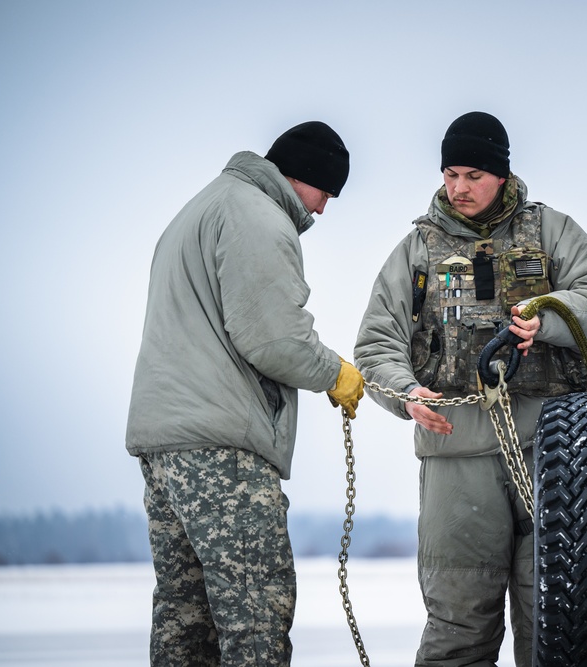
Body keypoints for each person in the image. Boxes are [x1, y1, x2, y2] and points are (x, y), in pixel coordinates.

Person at [354, 111, 587, 666]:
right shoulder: (416, 252)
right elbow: (376, 347)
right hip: (457, 460)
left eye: (472, 175)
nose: (459, 188)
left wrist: (547, 314)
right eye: (450, 174)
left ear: (501, 174)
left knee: (558, 625)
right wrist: (405, 393)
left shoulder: (551, 232)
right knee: (459, 626)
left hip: (553, 456)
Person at [125, 120, 365, 666]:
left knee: (185, 623)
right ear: (300, 176)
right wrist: (336, 373)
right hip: (221, 449)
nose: (323, 210)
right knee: (254, 617)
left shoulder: (202, 207)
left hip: (165, 446)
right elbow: (274, 338)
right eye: (325, 192)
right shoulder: (258, 217)